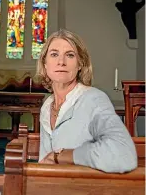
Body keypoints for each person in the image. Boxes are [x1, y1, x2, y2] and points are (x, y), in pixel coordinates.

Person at [36, 29, 137, 173]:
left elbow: (124, 155)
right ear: (45, 64)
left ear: (80, 64)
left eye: (70, 55)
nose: (61, 62)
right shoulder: (47, 107)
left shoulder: (93, 100)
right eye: (54, 54)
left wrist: (64, 155)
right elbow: (44, 163)